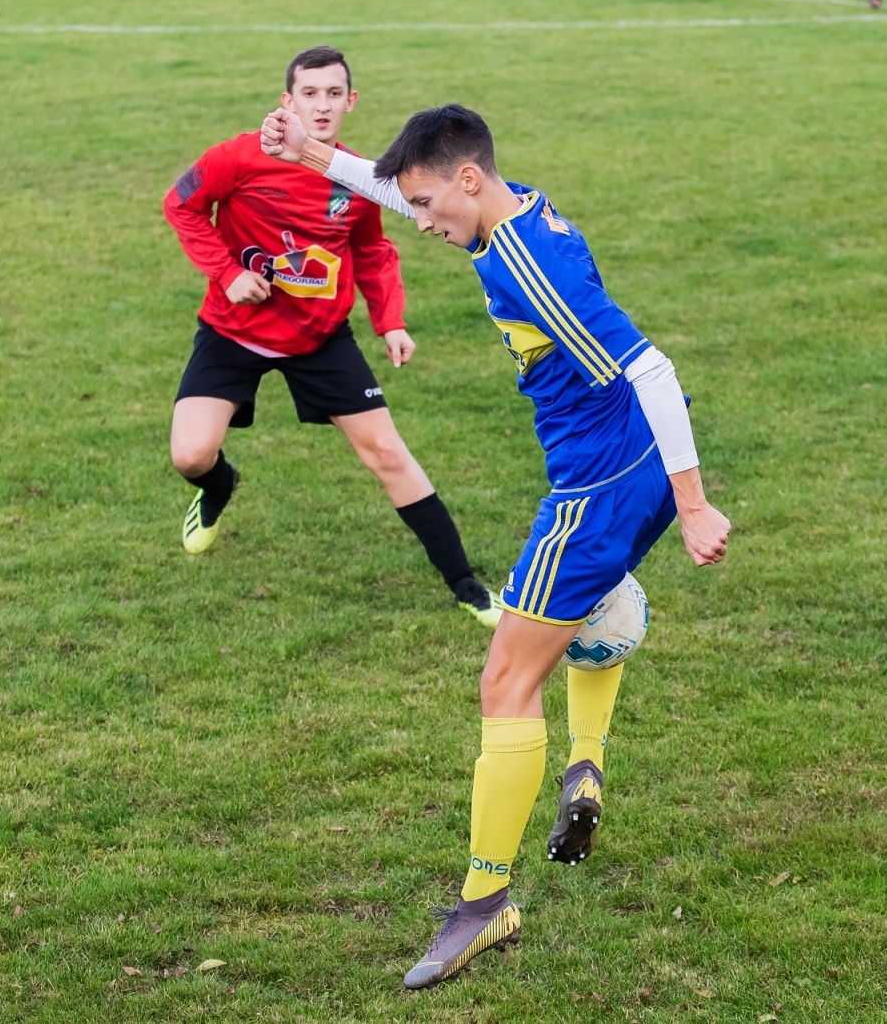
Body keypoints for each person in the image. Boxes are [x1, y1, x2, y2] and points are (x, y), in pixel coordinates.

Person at [261, 103, 732, 988]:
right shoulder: (512, 212)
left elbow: (653, 368)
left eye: (432, 207)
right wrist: (317, 154)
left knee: (506, 680)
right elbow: (406, 193)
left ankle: (486, 904)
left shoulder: (528, 265)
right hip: (621, 471)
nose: (424, 225)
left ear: (469, 181)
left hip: (599, 487)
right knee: (587, 622)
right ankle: (587, 761)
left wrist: (695, 503)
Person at [163, 47, 502, 627]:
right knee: (190, 453)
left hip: (320, 336)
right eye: (309, 93)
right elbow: (181, 205)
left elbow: (372, 249)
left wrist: (390, 321)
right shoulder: (236, 158)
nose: (321, 105)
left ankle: (467, 585)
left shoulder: (354, 176)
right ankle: (219, 486)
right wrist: (229, 274)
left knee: (388, 453)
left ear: (351, 101)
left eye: (332, 94)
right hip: (232, 330)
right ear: (287, 101)